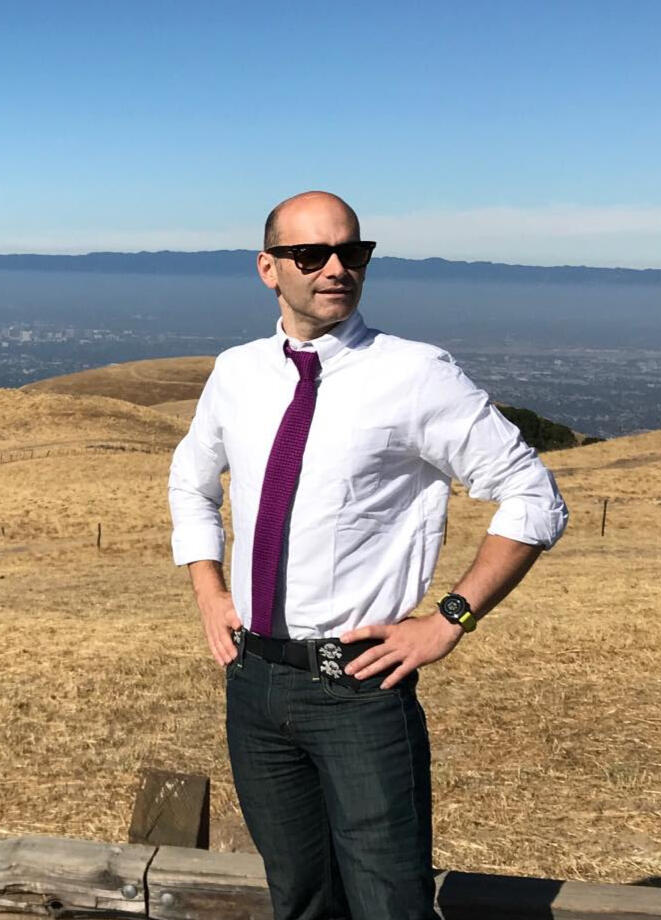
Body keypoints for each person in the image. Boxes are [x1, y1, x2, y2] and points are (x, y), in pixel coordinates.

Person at [168, 191, 568, 920]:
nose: (336, 268)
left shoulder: (415, 374)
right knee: (299, 900)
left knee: (390, 904)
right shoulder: (237, 372)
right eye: (310, 254)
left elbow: (533, 495)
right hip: (253, 684)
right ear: (268, 268)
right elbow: (189, 483)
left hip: (358, 688)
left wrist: (450, 618)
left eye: (352, 252)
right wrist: (208, 590)